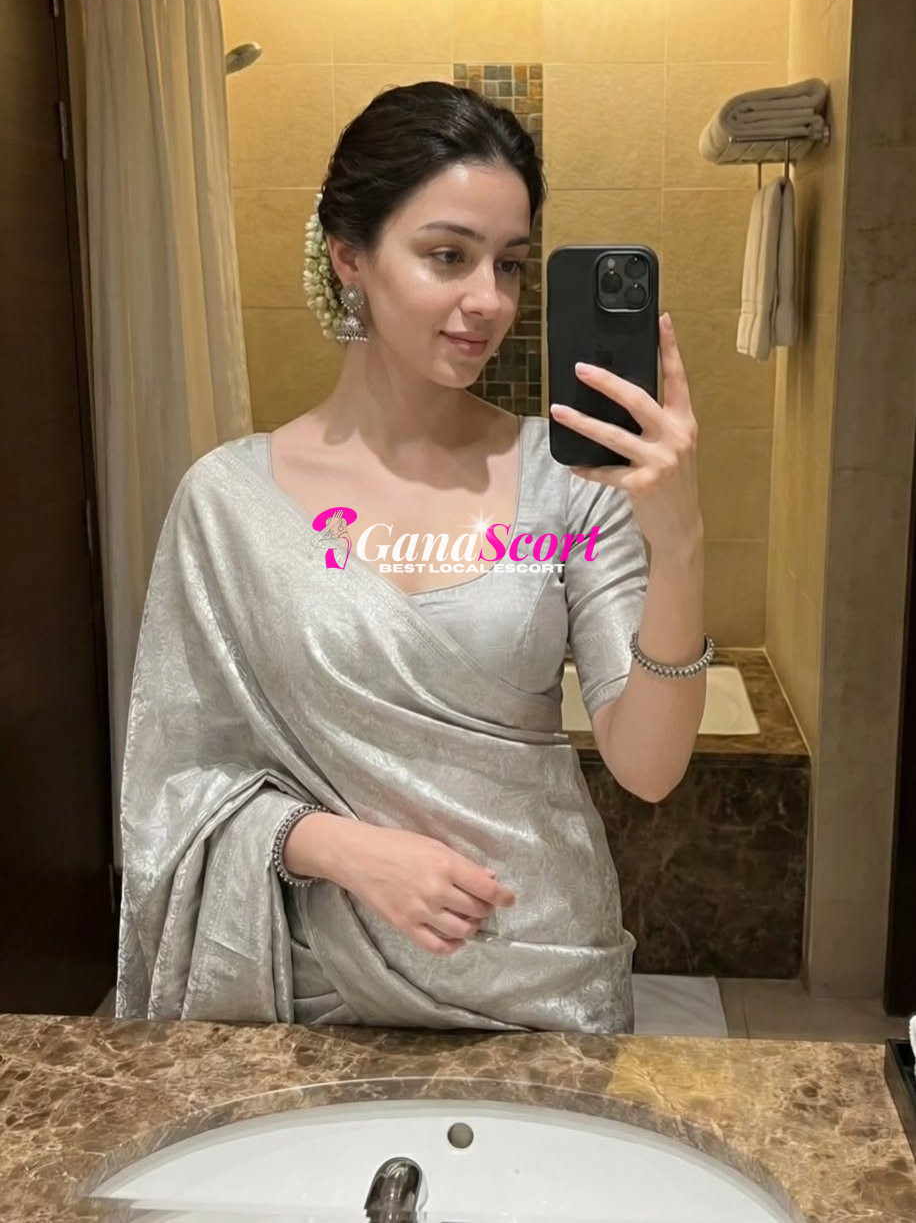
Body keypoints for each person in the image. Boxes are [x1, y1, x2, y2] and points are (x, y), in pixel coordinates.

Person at [115, 81, 709, 1032]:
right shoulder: (228, 503)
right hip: (310, 985)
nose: (489, 301)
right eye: (447, 256)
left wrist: (679, 541)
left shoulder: (563, 482)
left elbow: (649, 766)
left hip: (540, 972)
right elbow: (177, 780)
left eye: (510, 264)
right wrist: (341, 849)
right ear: (349, 255)